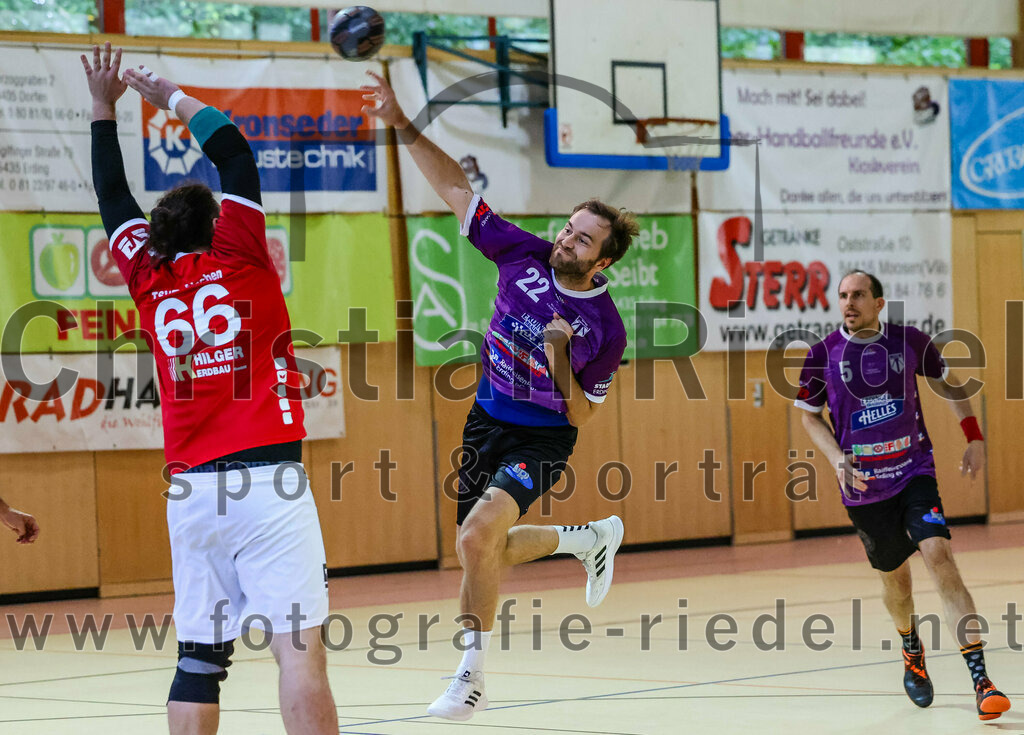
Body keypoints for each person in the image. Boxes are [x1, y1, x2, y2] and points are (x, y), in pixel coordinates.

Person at [360, 70, 634, 722]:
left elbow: (584, 412)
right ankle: (587, 538)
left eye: (583, 239)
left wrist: (562, 357)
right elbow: (457, 186)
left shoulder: (608, 327)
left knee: (481, 535)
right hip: (484, 419)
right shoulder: (522, 252)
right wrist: (402, 123)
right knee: (477, 547)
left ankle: (470, 679)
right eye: (569, 229)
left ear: (603, 262)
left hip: (544, 435)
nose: (567, 239)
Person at [82, 44, 338, 734]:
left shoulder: (148, 276)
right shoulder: (241, 255)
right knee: (300, 654)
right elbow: (232, 152)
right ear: (218, 225)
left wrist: (103, 108)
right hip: (268, 479)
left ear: (158, 240)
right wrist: (162, 92)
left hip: (192, 490)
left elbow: (113, 198)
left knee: (198, 658)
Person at [796, 270, 1011, 721]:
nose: (848, 303)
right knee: (897, 584)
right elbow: (810, 417)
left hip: (914, 471)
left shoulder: (909, 341)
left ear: (878, 302)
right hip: (865, 488)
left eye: (858, 295)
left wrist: (972, 435)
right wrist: (836, 457)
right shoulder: (822, 355)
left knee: (939, 555)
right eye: (842, 296)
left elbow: (949, 382)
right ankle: (911, 647)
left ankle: (982, 680)